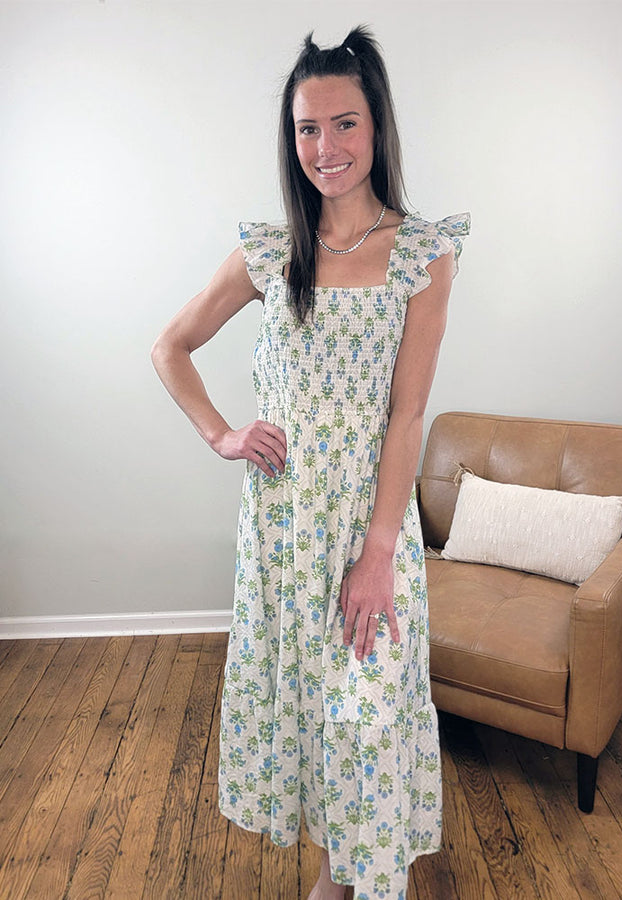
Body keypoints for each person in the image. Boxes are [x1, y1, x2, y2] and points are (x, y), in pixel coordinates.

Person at [151, 25, 469, 900]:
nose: (324, 148)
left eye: (344, 124)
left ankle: (369, 879)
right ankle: (337, 876)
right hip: (284, 527)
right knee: (309, 713)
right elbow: (170, 347)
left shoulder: (423, 256)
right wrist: (223, 433)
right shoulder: (269, 252)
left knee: (367, 716)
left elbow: (406, 414)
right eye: (306, 129)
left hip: (373, 525)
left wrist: (375, 552)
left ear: (377, 129)